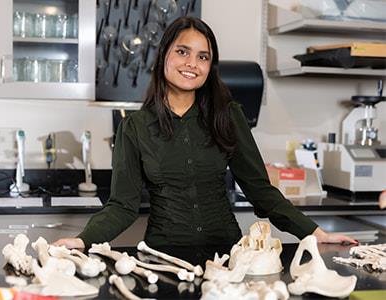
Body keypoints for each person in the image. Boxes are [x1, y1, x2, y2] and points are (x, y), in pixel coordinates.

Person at [54, 16, 357, 249]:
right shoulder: (135, 127)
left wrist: (316, 234)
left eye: (203, 57)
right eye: (183, 52)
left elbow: (261, 192)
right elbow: (122, 206)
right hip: (164, 255)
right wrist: (83, 240)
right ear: (164, 57)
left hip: (227, 254)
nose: (192, 64)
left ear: (210, 66)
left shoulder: (228, 115)